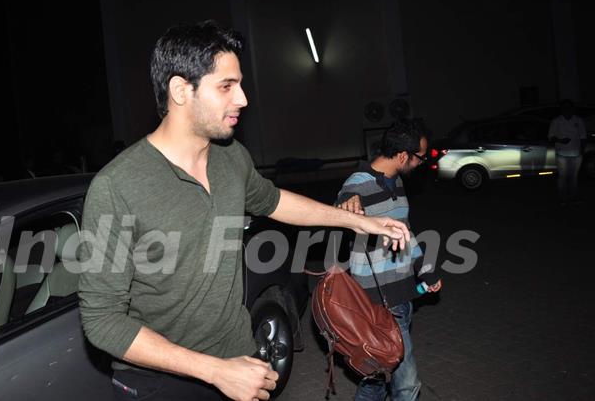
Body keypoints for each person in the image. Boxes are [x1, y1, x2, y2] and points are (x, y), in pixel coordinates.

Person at [78, 21, 412, 401]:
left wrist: (359, 221)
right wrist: (215, 372)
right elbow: (101, 321)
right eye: (226, 86)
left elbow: (274, 201)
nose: (243, 99)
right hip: (162, 382)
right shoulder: (117, 186)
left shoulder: (231, 157)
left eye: (239, 84)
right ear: (180, 90)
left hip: (238, 354)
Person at [336, 119, 442, 401]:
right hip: (379, 304)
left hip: (402, 296)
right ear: (404, 155)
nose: (422, 163)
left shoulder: (396, 182)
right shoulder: (357, 183)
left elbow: (405, 233)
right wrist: (349, 204)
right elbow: (346, 200)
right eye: (421, 157)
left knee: (375, 382)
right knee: (406, 385)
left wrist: (427, 272)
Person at [548, 100, 587, 204]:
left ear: (572, 108)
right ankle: (563, 198)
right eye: (564, 107)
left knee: (574, 177)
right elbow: (550, 137)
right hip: (562, 154)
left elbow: (583, 136)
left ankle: (574, 197)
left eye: (569, 107)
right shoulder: (556, 121)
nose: (567, 109)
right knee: (563, 176)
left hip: (576, 153)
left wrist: (582, 151)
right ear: (561, 109)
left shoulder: (578, 120)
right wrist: (560, 140)